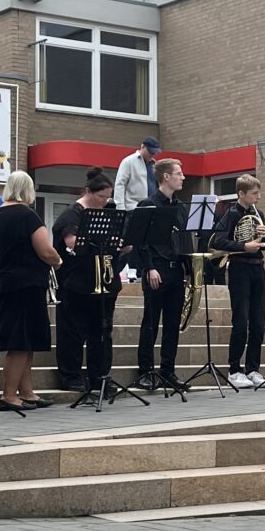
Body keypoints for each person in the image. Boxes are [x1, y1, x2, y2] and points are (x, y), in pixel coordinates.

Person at [0, 171, 61, 413]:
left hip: (4, 283)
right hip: (25, 285)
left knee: (25, 340)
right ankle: (9, 395)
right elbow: (45, 250)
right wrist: (58, 261)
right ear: (27, 190)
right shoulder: (27, 215)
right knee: (19, 342)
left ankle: (27, 392)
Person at [52, 169, 121, 394]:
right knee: (72, 331)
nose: (104, 202)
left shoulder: (105, 214)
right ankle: (71, 376)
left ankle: (100, 376)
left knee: (101, 332)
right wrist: (103, 242)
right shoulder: (71, 215)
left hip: (102, 282)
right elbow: (72, 242)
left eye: (107, 198)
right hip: (76, 282)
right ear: (88, 191)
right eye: (101, 197)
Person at [130, 157, 188, 392]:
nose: (183, 177)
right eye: (179, 173)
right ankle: (145, 372)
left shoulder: (180, 207)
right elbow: (140, 240)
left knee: (172, 324)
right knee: (151, 323)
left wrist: (187, 270)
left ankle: (167, 371)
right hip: (157, 269)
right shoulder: (148, 204)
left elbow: (184, 239)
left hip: (176, 270)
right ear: (166, 177)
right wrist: (150, 267)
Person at [211, 174, 265, 389]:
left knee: (258, 322)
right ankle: (234, 369)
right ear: (241, 194)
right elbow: (218, 241)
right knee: (240, 321)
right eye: (254, 193)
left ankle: (253, 368)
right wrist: (244, 246)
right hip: (239, 268)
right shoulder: (230, 214)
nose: (258, 197)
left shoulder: (258, 214)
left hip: (257, 268)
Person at [114, 135, 162, 210]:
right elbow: (120, 185)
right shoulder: (129, 161)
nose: (152, 154)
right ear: (142, 147)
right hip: (133, 208)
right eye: (150, 151)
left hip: (151, 208)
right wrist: (120, 208)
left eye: (155, 152)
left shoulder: (154, 165)